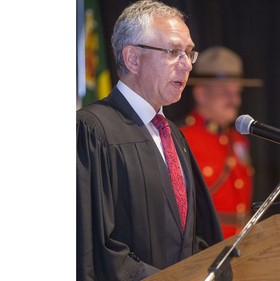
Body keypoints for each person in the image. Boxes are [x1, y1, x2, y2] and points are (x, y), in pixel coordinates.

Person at [76, 1, 224, 280]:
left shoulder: (172, 135)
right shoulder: (92, 131)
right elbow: (94, 247)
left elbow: (196, 236)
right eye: (173, 52)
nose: (186, 65)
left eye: (189, 53)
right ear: (132, 58)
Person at [179, 46, 262, 238]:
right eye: (225, 93)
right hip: (204, 245)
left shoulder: (239, 140)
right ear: (201, 94)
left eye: (237, 92)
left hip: (241, 243)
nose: (235, 100)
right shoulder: (183, 138)